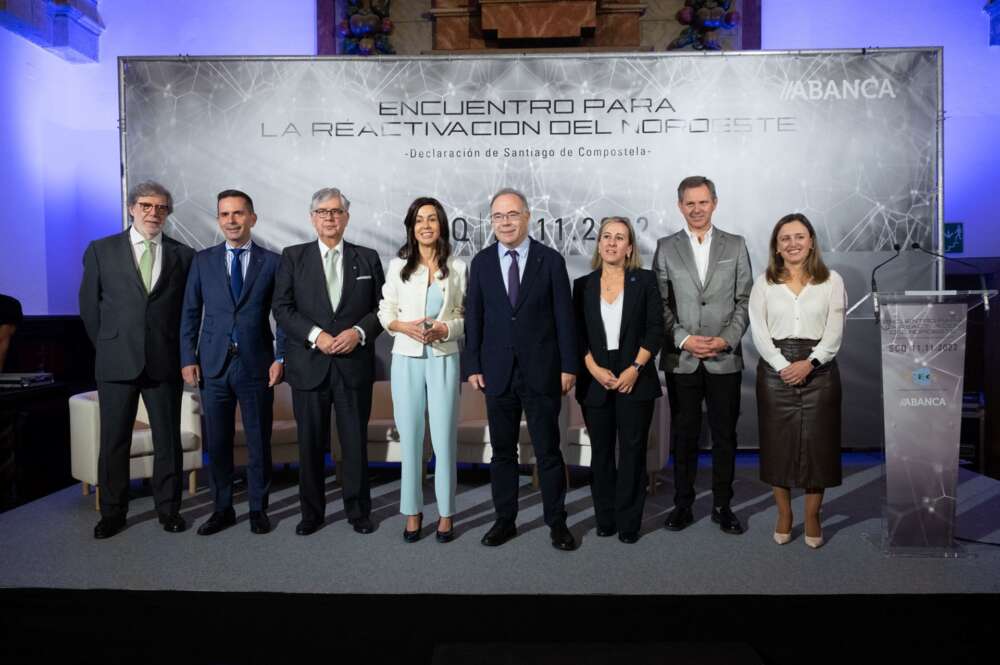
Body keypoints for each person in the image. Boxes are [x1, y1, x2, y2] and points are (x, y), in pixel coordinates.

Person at [78, 181, 195, 539]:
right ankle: (112, 513)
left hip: (164, 361)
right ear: (131, 208)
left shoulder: (183, 255)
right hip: (116, 362)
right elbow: (88, 308)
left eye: (161, 208)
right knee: (114, 440)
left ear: (168, 213)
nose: (153, 213)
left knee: (167, 441)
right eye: (146, 206)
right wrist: (109, 346)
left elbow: (188, 313)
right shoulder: (101, 250)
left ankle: (169, 509)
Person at [463, 187, 578, 551]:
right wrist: (474, 365)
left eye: (512, 214)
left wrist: (569, 365)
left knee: (548, 451)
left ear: (528, 217)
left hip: (542, 371)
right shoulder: (480, 263)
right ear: (491, 221)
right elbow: (475, 320)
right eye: (498, 216)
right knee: (502, 453)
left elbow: (565, 318)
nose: (506, 222)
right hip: (496, 373)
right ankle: (504, 520)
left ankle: (557, 523)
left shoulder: (551, 261)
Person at [272, 187, 385, 536]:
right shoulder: (293, 257)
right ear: (312, 217)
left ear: (347, 218)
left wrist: (358, 333)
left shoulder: (367, 257)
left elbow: (382, 308)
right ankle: (312, 513)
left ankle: (358, 511)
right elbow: (282, 308)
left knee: (353, 442)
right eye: (323, 212)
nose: (330, 218)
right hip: (309, 364)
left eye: (336, 212)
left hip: (353, 364)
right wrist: (315, 335)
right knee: (309, 443)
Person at [180, 190, 287, 536]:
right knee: (220, 443)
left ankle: (258, 508)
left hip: (257, 364)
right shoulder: (203, 261)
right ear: (218, 220)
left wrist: (280, 356)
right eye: (225, 214)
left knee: (258, 441)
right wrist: (187, 358)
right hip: (212, 366)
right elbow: (191, 313)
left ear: (252, 218)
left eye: (238, 214)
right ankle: (222, 508)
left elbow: (282, 316)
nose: (231, 220)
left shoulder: (271, 262)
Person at [652, 176, 752, 535]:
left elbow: (745, 300)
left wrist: (725, 340)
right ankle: (683, 505)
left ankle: (723, 506)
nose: (696, 209)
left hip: (724, 358)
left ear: (715, 203)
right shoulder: (665, 247)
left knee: (725, 436)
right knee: (684, 435)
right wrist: (683, 339)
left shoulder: (736, 245)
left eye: (703, 202)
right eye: (689, 203)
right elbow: (659, 304)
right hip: (683, 358)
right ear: (680, 206)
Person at [749, 213, 846, 549]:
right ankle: (785, 514)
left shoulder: (832, 280)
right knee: (779, 447)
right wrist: (781, 365)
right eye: (785, 238)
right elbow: (759, 333)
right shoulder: (763, 282)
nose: (793, 243)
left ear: (811, 242)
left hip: (820, 371)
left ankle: (814, 516)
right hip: (775, 372)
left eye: (799, 236)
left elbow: (834, 335)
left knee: (818, 447)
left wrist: (810, 363)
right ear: (777, 246)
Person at [378, 197, 466, 543]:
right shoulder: (397, 266)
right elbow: (385, 311)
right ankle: (412, 512)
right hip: (406, 360)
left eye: (432, 219)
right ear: (411, 228)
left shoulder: (458, 267)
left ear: (441, 225)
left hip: (444, 358)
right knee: (411, 440)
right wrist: (402, 327)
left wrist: (446, 329)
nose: (426, 225)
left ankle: (446, 514)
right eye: (419, 220)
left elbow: (462, 316)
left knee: (444, 440)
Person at [573, 217, 663, 544]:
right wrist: (593, 369)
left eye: (619, 238)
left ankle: (629, 522)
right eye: (606, 237)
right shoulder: (582, 285)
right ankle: (605, 517)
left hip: (634, 374)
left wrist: (635, 369)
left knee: (632, 452)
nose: (612, 243)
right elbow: (576, 335)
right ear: (599, 244)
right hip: (595, 376)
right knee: (601, 453)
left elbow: (656, 329)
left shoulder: (646, 280)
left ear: (629, 248)